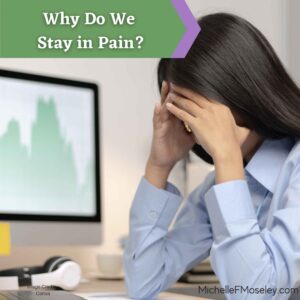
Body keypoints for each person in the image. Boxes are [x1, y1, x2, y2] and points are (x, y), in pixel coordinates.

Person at [123, 13, 300, 300]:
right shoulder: (217, 187)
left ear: (239, 90)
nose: (192, 125)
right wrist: (159, 165)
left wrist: (227, 157)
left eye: (196, 109)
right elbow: (142, 285)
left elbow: (255, 294)